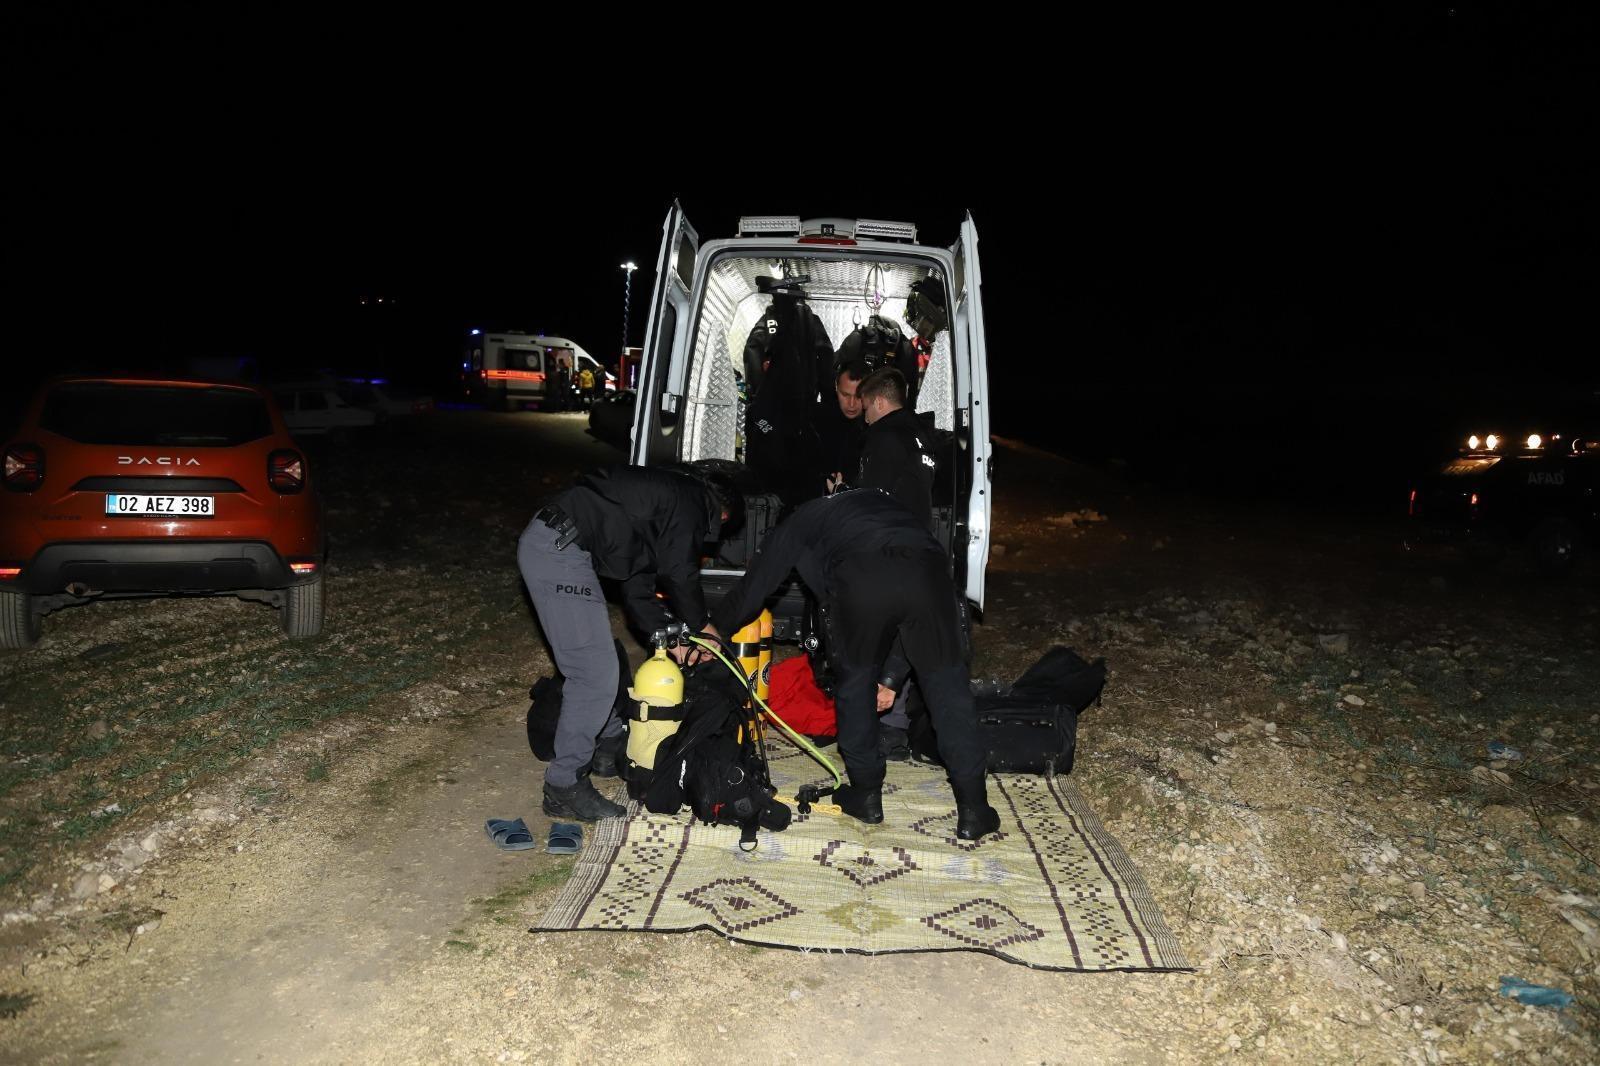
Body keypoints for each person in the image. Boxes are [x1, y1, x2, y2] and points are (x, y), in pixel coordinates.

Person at [710, 490, 999, 839]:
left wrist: (713, 630)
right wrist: (891, 678)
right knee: (948, 689)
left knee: (856, 684)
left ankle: (865, 794)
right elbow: (905, 587)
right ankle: (974, 808)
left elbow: (754, 589)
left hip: (862, 576)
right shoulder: (878, 504)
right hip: (929, 572)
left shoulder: (799, 522)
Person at [518, 465, 736, 821]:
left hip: (563, 548)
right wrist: (703, 626)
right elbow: (680, 573)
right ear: (721, 513)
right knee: (593, 674)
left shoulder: (656, 512)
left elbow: (638, 591)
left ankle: (608, 745)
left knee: (603, 661)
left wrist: (673, 640)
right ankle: (563, 785)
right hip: (559, 550)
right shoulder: (691, 499)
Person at [857, 367, 936, 533]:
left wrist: (841, 492)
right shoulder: (920, 436)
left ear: (879, 403)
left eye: (866, 409)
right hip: (919, 538)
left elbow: (871, 501)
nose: (866, 418)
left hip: (891, 541)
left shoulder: (885, 438)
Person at [816, 359, 869, 494]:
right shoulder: (817, 421)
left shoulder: (876, 429)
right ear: (836, 387)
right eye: (845, 395)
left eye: (858, 396)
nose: (851, 404)